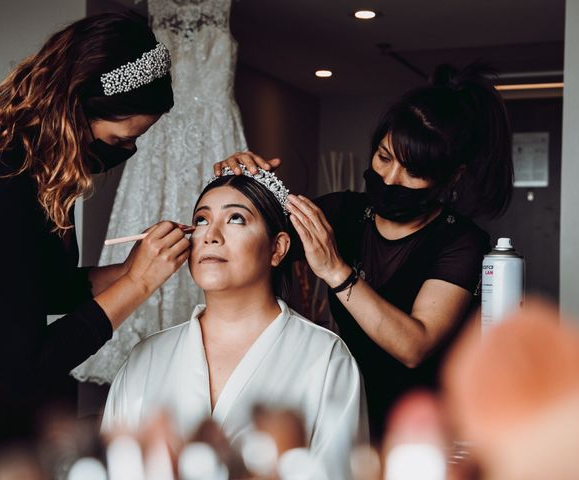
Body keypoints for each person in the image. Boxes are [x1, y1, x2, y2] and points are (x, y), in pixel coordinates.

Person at [0, 12, 192, 478]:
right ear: (75, 109)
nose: (126, 154)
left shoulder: (43, 174)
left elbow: (47, 290)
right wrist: (138, 285)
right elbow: (25, 372)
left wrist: (127, 269)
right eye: (124, 140)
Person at [214, 62, 513, 441]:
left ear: (452, 176)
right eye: (384, 157)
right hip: (351, 405)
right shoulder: (342, 213)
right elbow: (250, 244)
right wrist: (236, 187)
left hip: (433, 421)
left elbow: (413, 346)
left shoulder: (461, 241)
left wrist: (336, 271)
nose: (390, 178)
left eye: (414, 171)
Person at [102, 167, 367, 479]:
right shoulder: (146, 357)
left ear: (277, 248)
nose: (211, 235)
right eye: (201, 220)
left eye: (236, 218)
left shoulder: (325, 357)